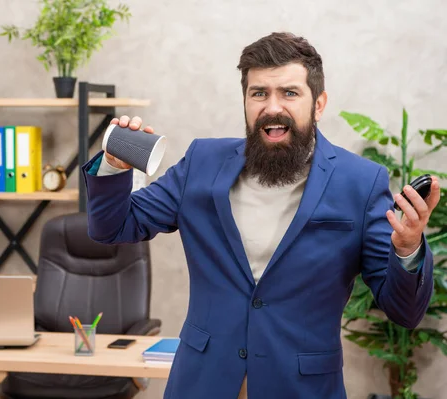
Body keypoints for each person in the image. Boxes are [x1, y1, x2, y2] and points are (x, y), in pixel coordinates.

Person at [80, 32, 440, 399]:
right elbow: (113, 227)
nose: (272, 107)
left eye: (289, 92)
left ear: (318, 104)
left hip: (302, 388)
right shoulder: (201, 163)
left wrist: (409, 248)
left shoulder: (361, 182)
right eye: (259, 93)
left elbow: (405, 311)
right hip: (203, 382)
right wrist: (113, 166)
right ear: (246, 101)